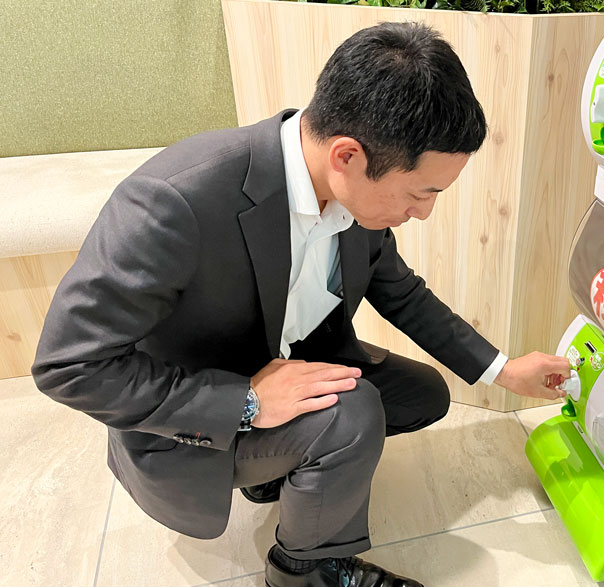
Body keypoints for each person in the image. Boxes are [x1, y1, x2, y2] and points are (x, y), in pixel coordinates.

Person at [31, 22, 571, 587]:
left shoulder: (352, 197)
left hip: (283, 360)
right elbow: (68, 365)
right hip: (199, 402)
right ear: (348, 155)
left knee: (422, 395)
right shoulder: (175, 201)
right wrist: (245, 404)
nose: (424, 212)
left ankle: (279, 466)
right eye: (421, 192)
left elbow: (402, 293)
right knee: (353, 414)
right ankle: (304, 572)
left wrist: (504, 370)